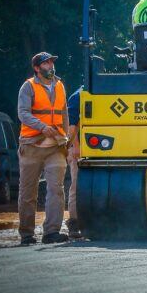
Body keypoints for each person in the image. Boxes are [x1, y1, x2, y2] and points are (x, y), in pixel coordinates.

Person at [17, 52, 70, 245]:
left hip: (56, 146)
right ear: (37, 68)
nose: (50, 65)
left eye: (51, 62)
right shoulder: (28, 86)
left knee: (56, 189)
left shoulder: (60, 85)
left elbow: (64, 113)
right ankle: (27, 234)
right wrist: (42, 127)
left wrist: (66, 137)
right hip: (31, 146)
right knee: (28, 192)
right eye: (46, 63)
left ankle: (51, 232)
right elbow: (22, 114)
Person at [65, 85, 83, 239]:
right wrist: (76, 147)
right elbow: (71, 127)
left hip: (92, 148)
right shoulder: (77, 97)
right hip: (78, 148)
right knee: (76, 186)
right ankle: (74, 224)